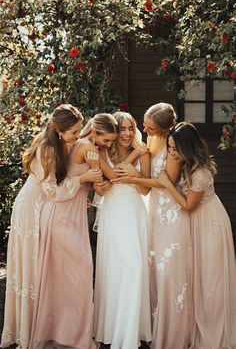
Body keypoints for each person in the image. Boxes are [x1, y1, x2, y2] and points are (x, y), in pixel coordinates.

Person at [1, 104, 102, 349]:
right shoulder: (46, 149)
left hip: (46, 205)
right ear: (58, 131)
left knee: (45, 271)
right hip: (32, 210)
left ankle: (51, 324)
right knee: (34, 270)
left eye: (79, 131)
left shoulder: (57, 143)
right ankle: (33, 328)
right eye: (73, 133)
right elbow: (53, 191)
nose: (77, 137)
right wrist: (83, 179)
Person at [28, 113, 120, 349]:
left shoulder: (70, 144)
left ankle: (60, 332)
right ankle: (75, 337)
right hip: (62, 215)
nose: (107, 145)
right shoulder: (86, 147)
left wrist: (89, 183)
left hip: (67, 215)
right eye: (107, 140)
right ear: (96, 132)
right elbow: (102, 184)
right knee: (79, 275)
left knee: (60, 278)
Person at [113, 103, 192, 349]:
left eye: (150, 126)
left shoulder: (173, 146)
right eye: (144, 124)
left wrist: (131, 178)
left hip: (172, 212)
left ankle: (175, 330)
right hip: (153, 211)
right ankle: (155, 325)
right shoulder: (150, 139)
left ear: (165, 128)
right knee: (153, 267)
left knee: (169, 272)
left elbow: (165, 180)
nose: (144, 128)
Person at [157, 122, 236, 349]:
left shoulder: (200, 171)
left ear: (187, 147)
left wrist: (166, 185)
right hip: (196, 222)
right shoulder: (185, 163)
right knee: (197, 277)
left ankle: (215, 332)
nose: (171, 152)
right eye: (169, 147)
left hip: (210, 224)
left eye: (174, 148)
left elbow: (188, 205)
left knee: (210, 279)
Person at [93, 111, 152, 349]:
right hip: (114, 213)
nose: (128, 133)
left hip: (135, 213)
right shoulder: (102, 151)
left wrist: (137, 171)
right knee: (116, 270)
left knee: (136, 268)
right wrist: (135, 155)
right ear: (115, 131)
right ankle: (112, 329)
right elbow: (111, 178)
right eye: (123, 129)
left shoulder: (143, 153)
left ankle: (133, 331)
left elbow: (146, 190)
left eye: (131, 128)